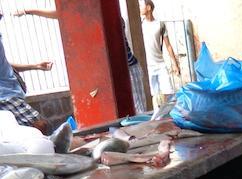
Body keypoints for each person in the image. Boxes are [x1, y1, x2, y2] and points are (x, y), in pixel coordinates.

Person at [18, 8, 146, 115]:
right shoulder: (92, 18)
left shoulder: (110, 17)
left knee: (137, 110)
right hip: (112, 74)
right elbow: (63, 13)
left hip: (128, 69)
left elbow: (63, 13)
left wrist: (29, 11)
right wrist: (29, 11)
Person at [0, 14, 52, 132]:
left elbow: (4, 64)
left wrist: (35, 66)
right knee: (40, 128)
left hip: (10, 95)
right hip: (6, 97)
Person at [140, 0, 180, 108]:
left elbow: (168, 45)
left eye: (141, 6)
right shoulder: (140, 25)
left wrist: (175, 64)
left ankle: (171, 117)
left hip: (160, 64)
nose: (139, 8)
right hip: (148, 66)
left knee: (169, 93)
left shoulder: (160, 24)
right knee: (155, 97)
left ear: (148, 8)